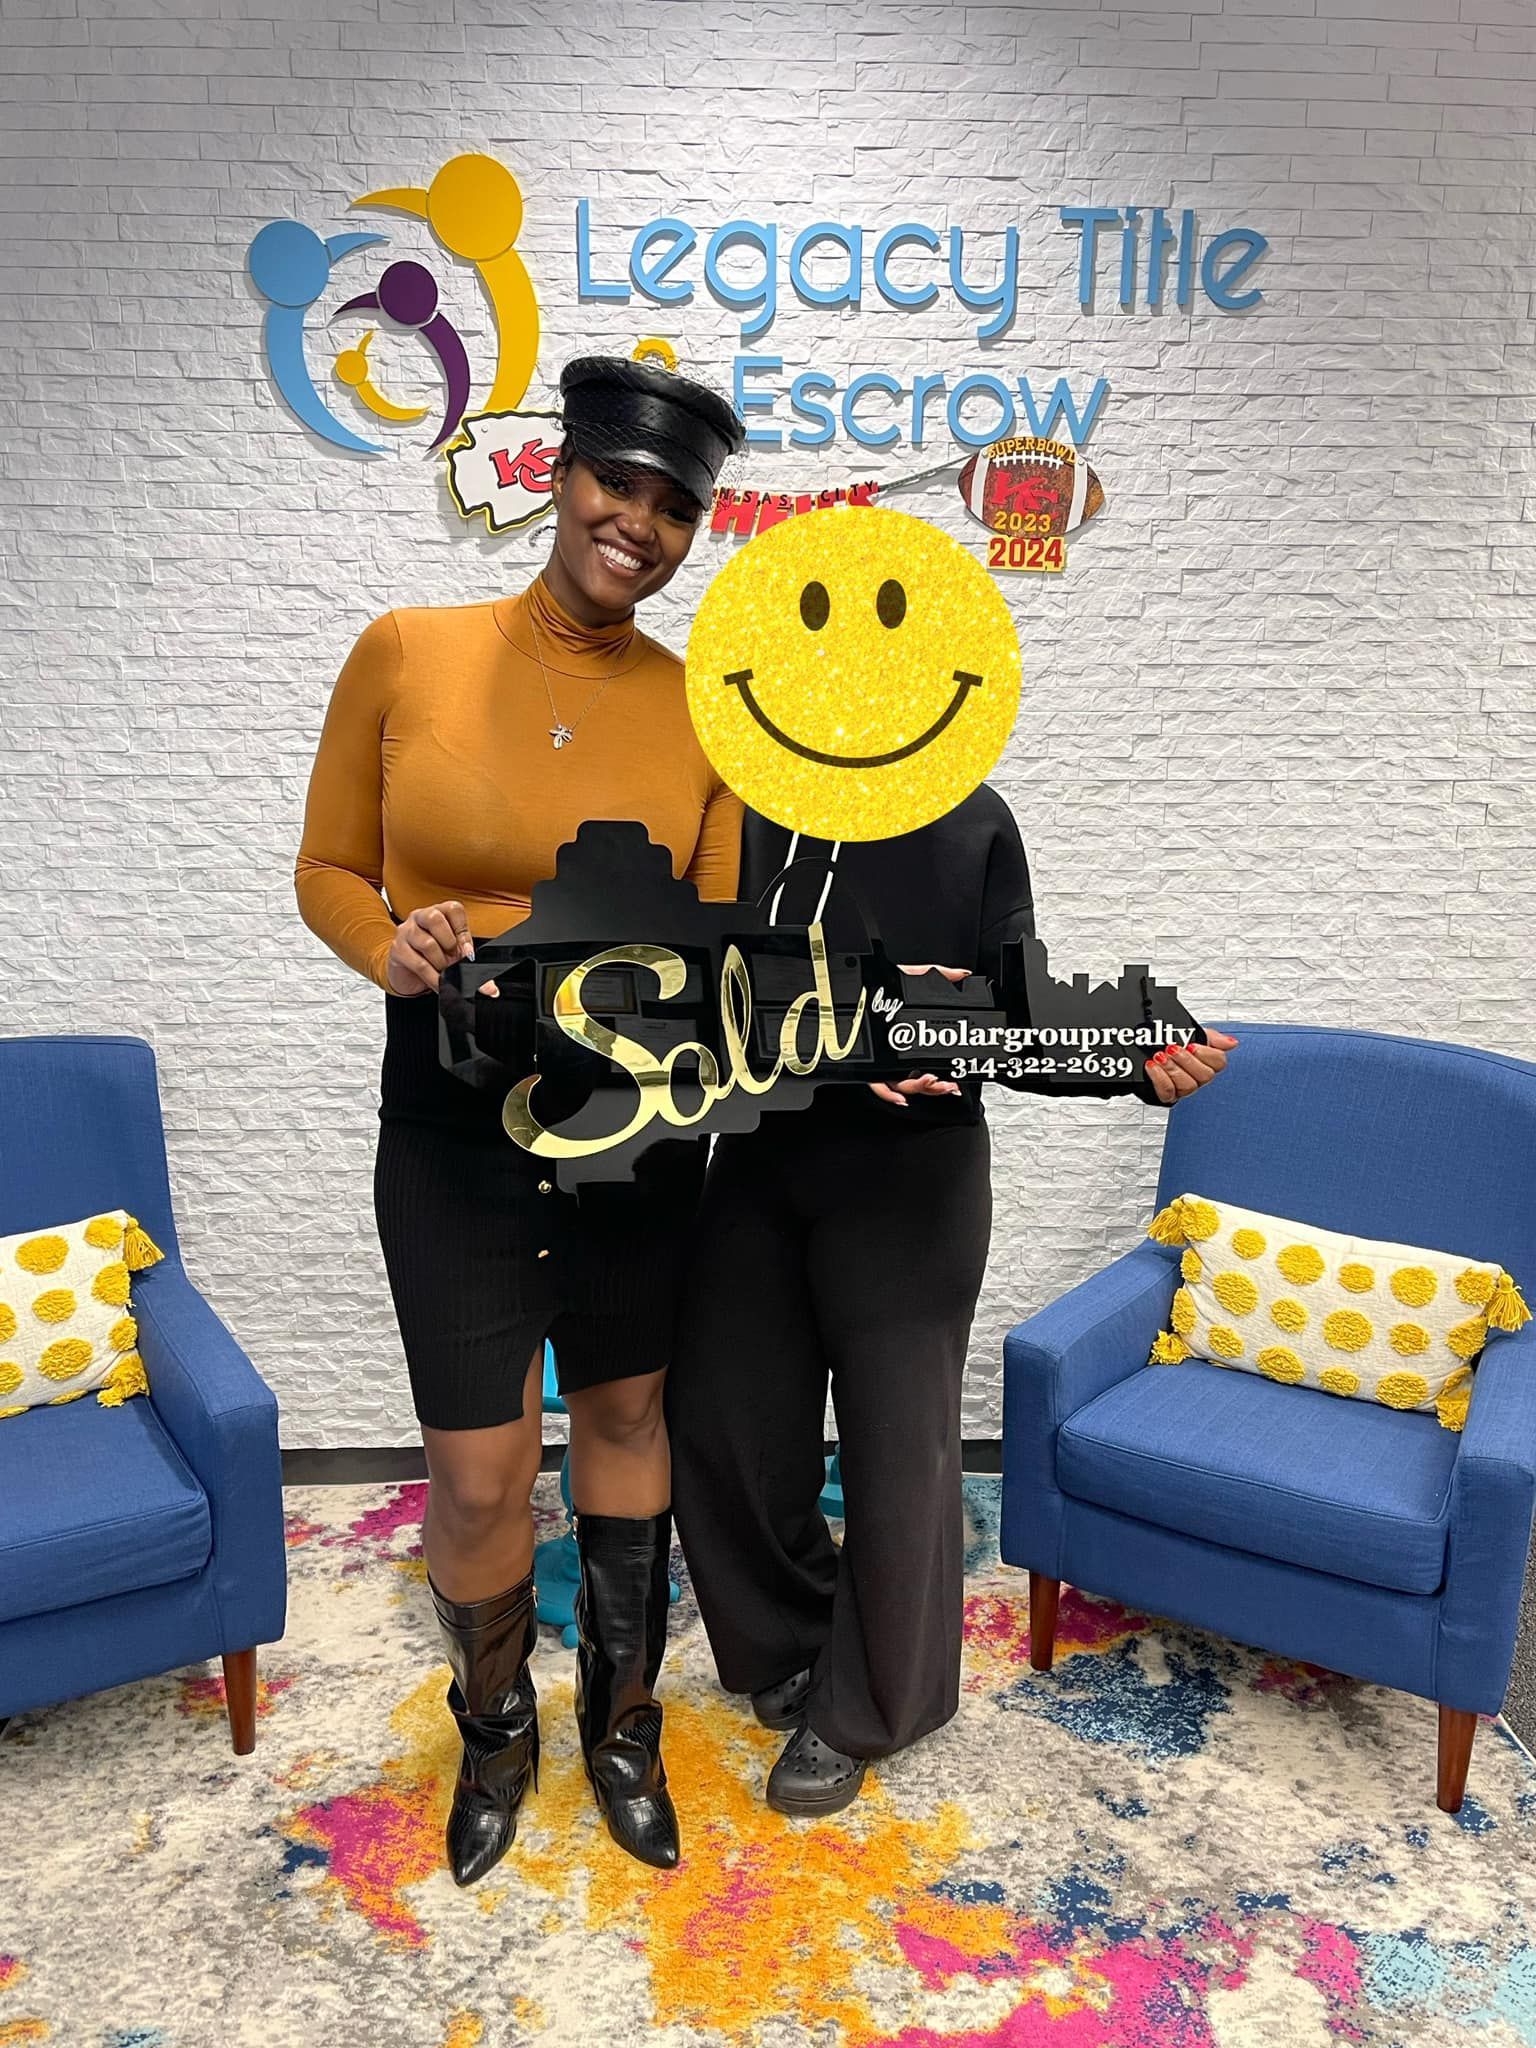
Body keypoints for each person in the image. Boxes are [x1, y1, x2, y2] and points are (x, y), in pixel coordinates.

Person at [294, 355, 746, 1880]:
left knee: (625, 1418)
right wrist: (389, 947)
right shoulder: (407, 650)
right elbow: (330, 870)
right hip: (449, 1119)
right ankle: (496, 1731)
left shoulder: (704, 714)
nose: (641, 522)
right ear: (562, 477)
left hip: (632, 1126)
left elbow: (726, 939)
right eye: (620, 483)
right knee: (482, 1468)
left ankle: (624, 1724)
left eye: (677, 505)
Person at [666, 791, 1237, 1814]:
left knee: (899, 1449)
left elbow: (1013, 1010)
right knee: (720, 1416)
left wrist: (1132, 1067)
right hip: (757, 1157)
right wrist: (845, 1037)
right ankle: (795, 1637)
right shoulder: (743, 801)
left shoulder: (974, 821)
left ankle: (874, 1705)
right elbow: (702, 984)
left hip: (912, 1183)